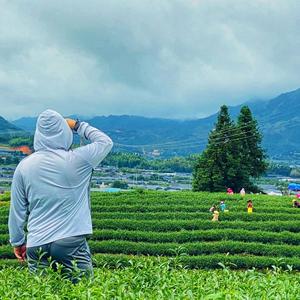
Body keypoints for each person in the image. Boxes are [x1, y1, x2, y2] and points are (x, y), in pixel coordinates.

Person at [8, 109, 113, 280]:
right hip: (70, 240)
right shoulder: (79, 159)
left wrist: (18, 242)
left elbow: (17, 209)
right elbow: (105, 142)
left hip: (36, 243)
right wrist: (77, 125)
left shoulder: (24, 166)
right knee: (82, 292)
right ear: (64, 132)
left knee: (40, 293)